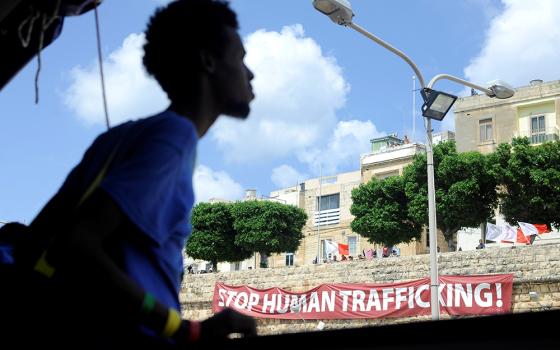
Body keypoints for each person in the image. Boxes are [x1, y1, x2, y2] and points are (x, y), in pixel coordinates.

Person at [11, 0, 256, 347]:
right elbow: (78, 244)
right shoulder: (175, 137)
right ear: (208, 61)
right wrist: (183, 328)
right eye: (240, 57)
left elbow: (35, 242)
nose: (250, 73)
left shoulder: (117, 138)